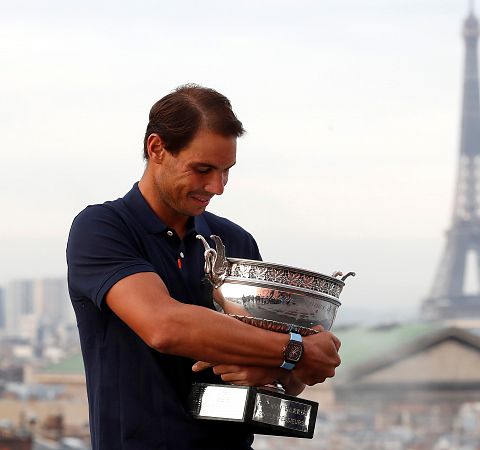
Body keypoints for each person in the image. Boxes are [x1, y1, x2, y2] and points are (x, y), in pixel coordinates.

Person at [66, 84, 341, 450]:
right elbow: (164, 326)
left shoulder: (236, 242)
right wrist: (296, 350)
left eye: (227, 170)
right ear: (156, 149)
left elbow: (287, 384)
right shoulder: (102, 228)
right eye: (202, 169)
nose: (218, 186)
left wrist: (283, 366)